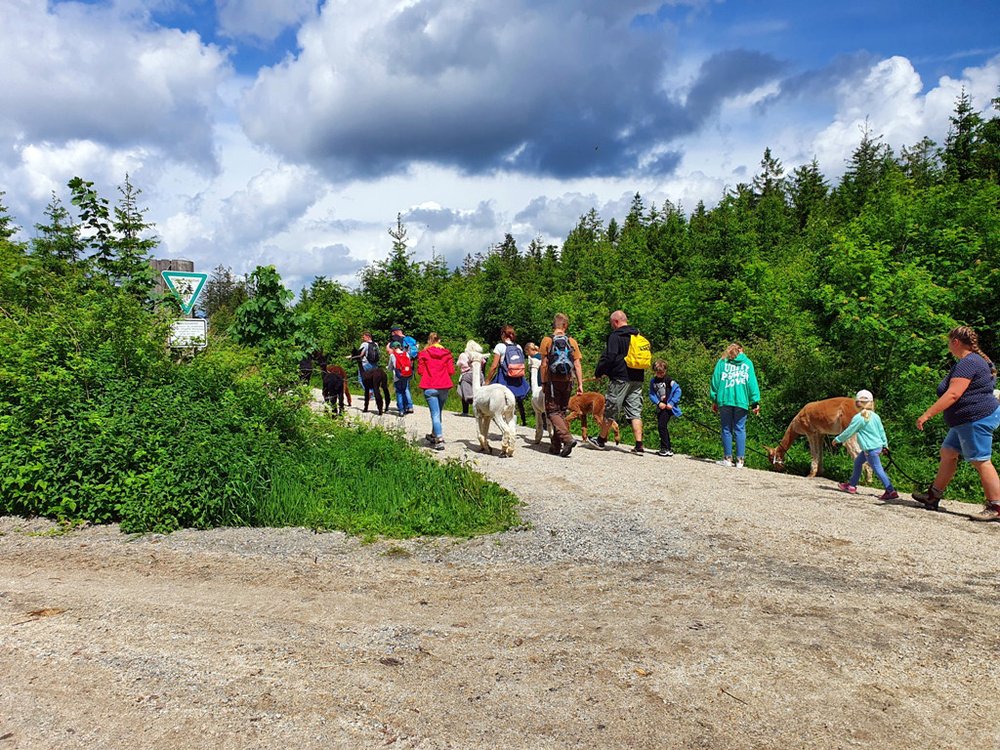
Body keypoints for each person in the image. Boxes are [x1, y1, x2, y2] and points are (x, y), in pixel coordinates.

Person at [912, 326, 1000, 521]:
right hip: (965, 421)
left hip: (975, 418)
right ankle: (933, 496)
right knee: (949, 453)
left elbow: (953, 394)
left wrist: (927, 414)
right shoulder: (975, 361)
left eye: (948, 341)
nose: (948, 345)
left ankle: (996, 506)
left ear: (956, 342)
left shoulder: (968, 363)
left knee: (981, 460)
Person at [589, 310, 646, 453]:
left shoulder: (616, 335)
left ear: (615, 322)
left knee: (611, 409)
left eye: (611, 323)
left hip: (620, 378)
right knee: (635, 411)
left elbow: (610, 356)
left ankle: (601, 440)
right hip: (638, 378)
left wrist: (600, 372)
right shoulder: (637, 335)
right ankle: (639, 445)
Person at [831, 390, 897, 499]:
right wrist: (885, 445)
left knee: (878, 469)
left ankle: (890, 491)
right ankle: (852, 485)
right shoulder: (875, 416)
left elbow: (849, 431)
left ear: (857, 404)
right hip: (877, 446)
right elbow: (881, 431)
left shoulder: (859, 418)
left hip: (870, 449)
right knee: (858, 462)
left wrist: (837, 439)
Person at [539, 313, 584, 457]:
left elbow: (544, 364)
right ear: (565, 326)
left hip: (553, 381)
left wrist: (544, 382)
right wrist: (580, 384)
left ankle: (567, 439)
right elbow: (577, 364)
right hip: (568, 380)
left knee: (552, 411)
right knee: (562, 411)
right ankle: (555, 446)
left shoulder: (547, 340)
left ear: (554, 325)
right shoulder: (571, 341)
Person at [709, 342, 761, 468]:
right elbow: (752, 383)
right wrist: (755, 402)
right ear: (741, 349)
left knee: (726, 428)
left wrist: (714, 399)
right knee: (740, 428)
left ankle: (727, 458)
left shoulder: (722, 362)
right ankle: (740, 461)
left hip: (724, 399)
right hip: (741, 400)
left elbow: (715, 381)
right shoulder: (747, 363)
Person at [486, 325, 531, 425]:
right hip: (517, 379)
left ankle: (506, 426)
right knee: (513, 404)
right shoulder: (518, 346)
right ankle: (513, 424)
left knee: (502, 404)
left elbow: (494, 366)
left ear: (503, 334)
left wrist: (487, 381)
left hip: (505, 378)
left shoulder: (500, 347)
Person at [417, 332, 454, 451]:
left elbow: (420, 371)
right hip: (444, 386)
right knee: (438, 413)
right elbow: (451, 371)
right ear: (439, 340)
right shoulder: (447, 354)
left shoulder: (424, 353)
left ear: (429, 340)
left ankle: (439, 439)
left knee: (435, 414)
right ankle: (434, 435)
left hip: (430, 386)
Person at [649, 359, 682, 457]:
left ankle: (665, 448)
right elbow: (652, 394)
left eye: (662, 372)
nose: (660, 374)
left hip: (668, 408)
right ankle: (667, 448)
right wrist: (658, 403)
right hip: (661, 407)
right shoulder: (653, 381)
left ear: (665, 371)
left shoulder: (669, 381)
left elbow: (678, 390)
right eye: (657, 372)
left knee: (661, 426)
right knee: (662, 426)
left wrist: (672, 402)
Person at [387, 341, 414, 415]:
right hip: (406, 375)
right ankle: (409, 406)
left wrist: (388, 368)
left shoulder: (392, 355)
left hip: (397, 376)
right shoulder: (406, 354)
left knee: (399, 392)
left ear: (393, 348)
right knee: (406, 390)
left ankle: (401, 410)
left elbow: (390, 368)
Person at [455, 348, 474, 416]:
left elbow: (458, 364)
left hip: (466, 374)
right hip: (477, 375)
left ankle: (465, 411)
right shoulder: (477, 354)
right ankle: (477, 412)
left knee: (463, 392)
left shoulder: (463, 355)